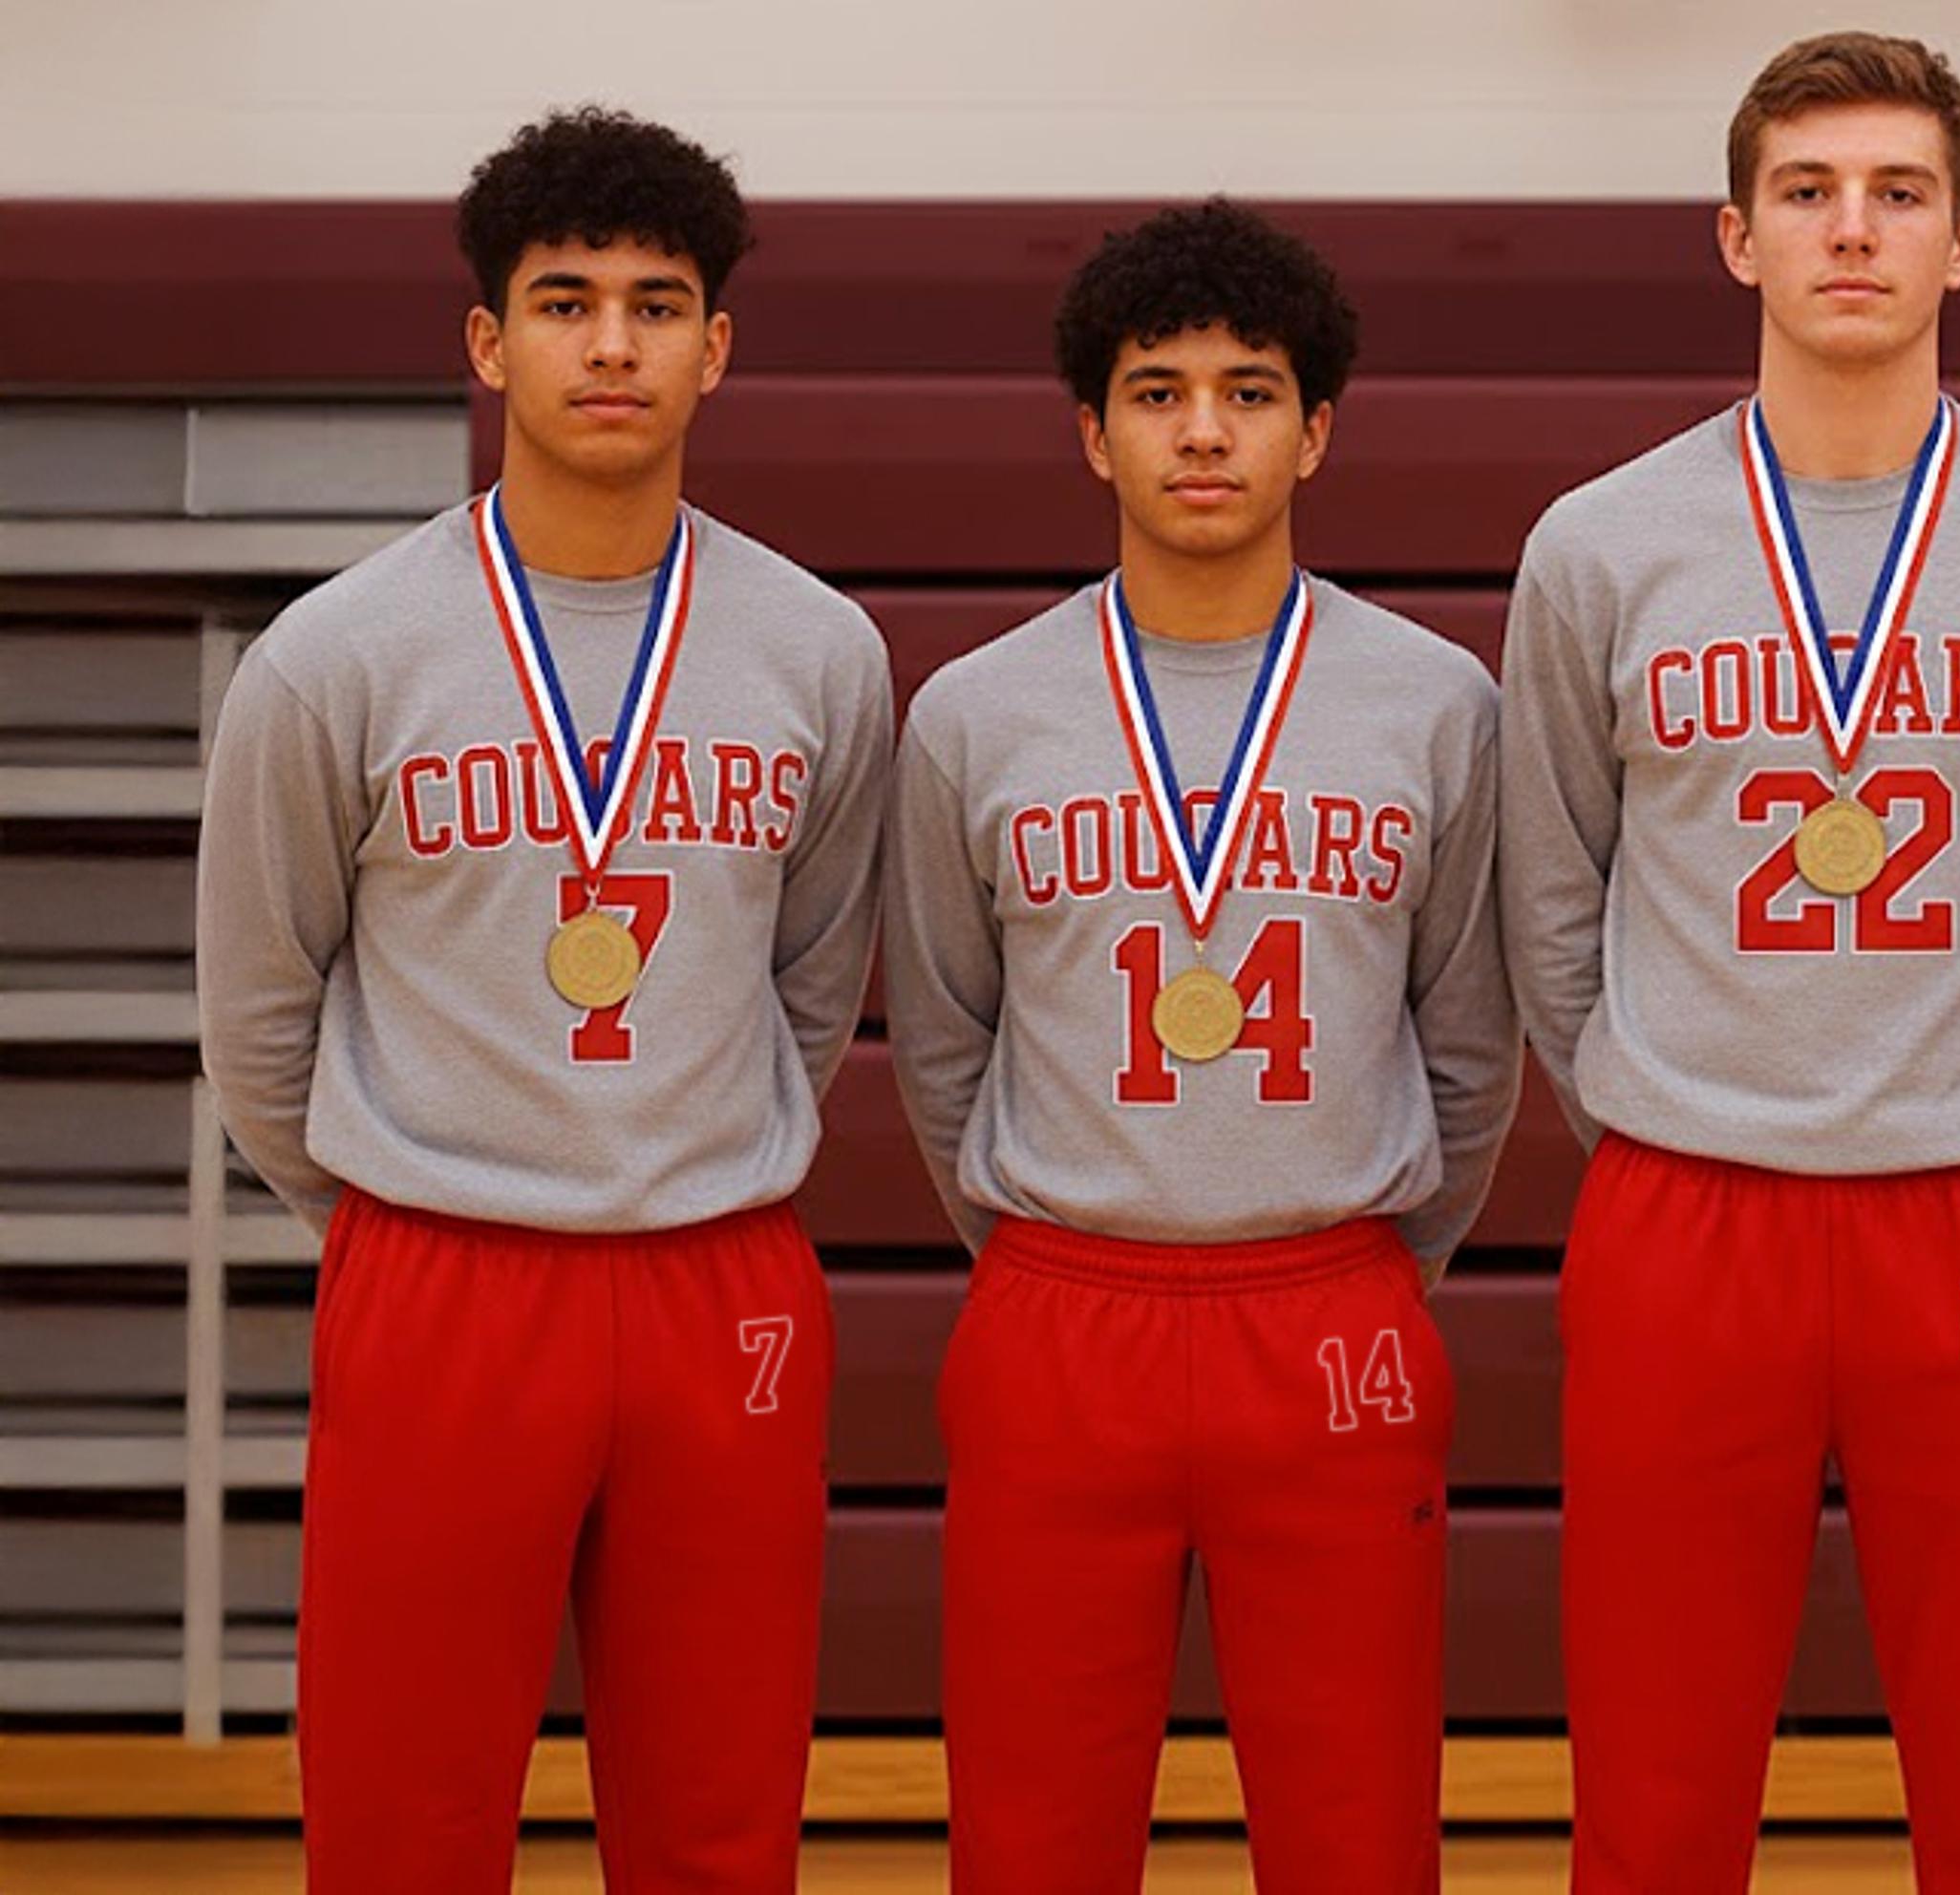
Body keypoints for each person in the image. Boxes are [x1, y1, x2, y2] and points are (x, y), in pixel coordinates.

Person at [1496, 30, 1960, 1892]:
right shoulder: (1599, 546)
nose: (1852, 230)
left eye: (1897, 193)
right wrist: (1681, 1095)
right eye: (1807, 193)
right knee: (1654, 1796)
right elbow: (1554, 902)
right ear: (1737, 236)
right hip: (1685, 1205)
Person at [194, 106, 892, 1890]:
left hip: (718, 1277)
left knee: (720, 1818)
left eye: (656, 306)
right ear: (488, 342)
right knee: (402, 1819)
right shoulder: (336, 656)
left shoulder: (821, 652)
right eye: (565, 302)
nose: (611, 344)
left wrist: (685, 1149)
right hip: (441, 1275)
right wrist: (408, 1205)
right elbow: (259, 1016)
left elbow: (812, 983)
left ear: (715, 348)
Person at [883, 198, 1517, 1895]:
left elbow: (1471, 1041)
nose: (1205, 431)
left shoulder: (1438, 703)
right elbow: (941, 1037)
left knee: (1357, 1831)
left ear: (1317, 430)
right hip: (1060, 1309)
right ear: (1095, 435)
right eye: (1158, 394)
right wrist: (1049, 1249)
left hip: (1329, 1309)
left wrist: (1367, 1262)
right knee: (1029, 1831)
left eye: (1249, 392)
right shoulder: (974, 713)